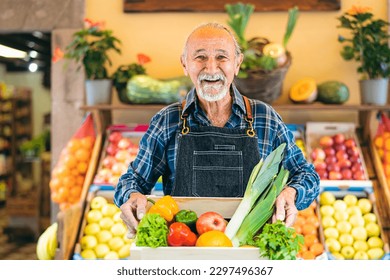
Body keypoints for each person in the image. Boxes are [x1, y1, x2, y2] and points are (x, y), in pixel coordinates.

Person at [114, 22, 320, 238]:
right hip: (185, 249)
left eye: (222, 57)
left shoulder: (264, 118)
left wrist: (291, 192)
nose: (211, 68)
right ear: (185, 64)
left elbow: (307, 175)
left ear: (237, 63)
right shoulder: (168, 121)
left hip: (251, 252)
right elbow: (133, 180)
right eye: (200, 57)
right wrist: (132, 195)